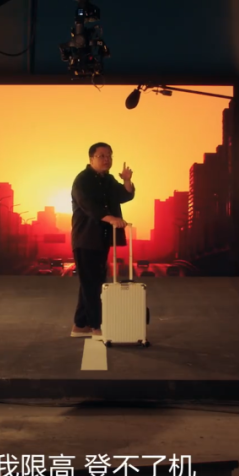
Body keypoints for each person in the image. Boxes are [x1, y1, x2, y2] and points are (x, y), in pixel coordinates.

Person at [70, 142, 135, 339]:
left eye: (109, 156)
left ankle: (80, 325)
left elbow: (125, 195)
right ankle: (95, 326)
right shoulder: (82, 180)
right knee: (92, 284)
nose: (107, 159)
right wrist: (112, 218)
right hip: (86, 238)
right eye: (102, 156)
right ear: (91, 159)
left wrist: (127, 180)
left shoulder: (108, 180)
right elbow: (89, 206)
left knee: (93, 281)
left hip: (102, 238)